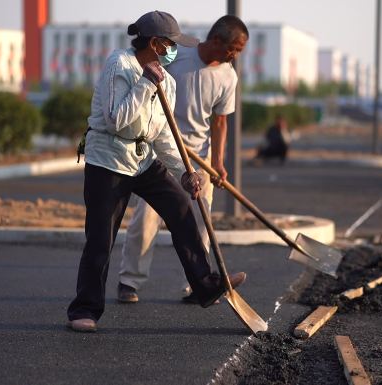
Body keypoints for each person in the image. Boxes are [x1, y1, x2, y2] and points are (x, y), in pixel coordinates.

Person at [67, 11, 246, 333]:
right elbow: (116, 121)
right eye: (171, 44)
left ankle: (205, 285)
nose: (175, 51)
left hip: (144, 159)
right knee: (100, 237)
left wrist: (184, 172)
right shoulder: (119, 65)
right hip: (108, 160)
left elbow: (163, 135)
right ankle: (85, 309)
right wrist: (145, 83)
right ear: (155, 43)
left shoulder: (168, 80)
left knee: (181, 208)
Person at [117, 15, 249, 304]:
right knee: (146, 219)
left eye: (239, 51)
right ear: (216, 41)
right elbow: (150, 79)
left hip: (198, 157)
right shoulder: (179, 55)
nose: (235, 55)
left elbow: (220, 122)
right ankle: (129, 281)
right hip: (162, 148)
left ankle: (198, 287)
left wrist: (218, 163)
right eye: (234, 49)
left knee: (200, 223)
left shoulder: (228, 76)